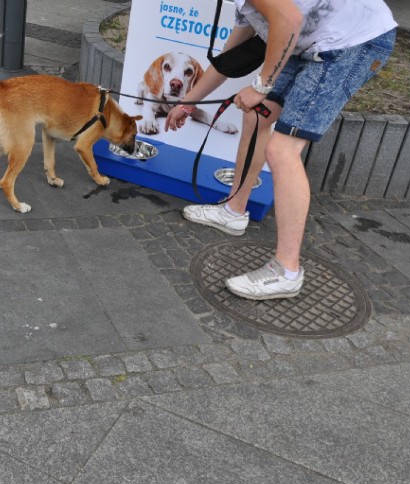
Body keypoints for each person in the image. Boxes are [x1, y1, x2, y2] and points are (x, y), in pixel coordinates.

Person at [164, 0, 397, 300]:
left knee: (282, 150)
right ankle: (234, 211)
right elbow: (227, 58)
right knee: (256, 114)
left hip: (350, 42)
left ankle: (287, 271)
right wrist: (187, 103)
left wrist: (261, 86)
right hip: (311, 41)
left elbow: (287, 18)